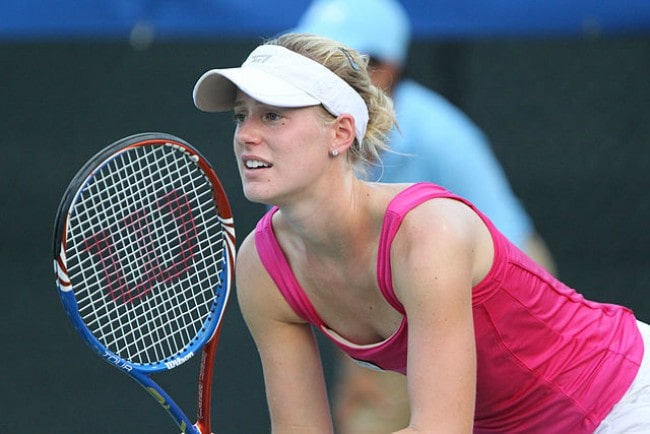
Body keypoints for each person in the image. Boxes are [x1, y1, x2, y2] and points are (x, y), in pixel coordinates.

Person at [192, 33, 650, 433]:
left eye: (273, 116)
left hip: (621, 398)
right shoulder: (260, 267)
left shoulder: (427, 233)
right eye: (241, 116)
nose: (246, 135)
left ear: (340, 134)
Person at [293, 1, 556, 432]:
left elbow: (517, 259)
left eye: (340, 65)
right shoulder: (294, 147)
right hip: (391, 310)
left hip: (497, 300)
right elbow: (326, 265)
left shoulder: (442, 135)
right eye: (313, 64)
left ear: (386, 70)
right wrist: (357, 364)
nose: (322, 81)